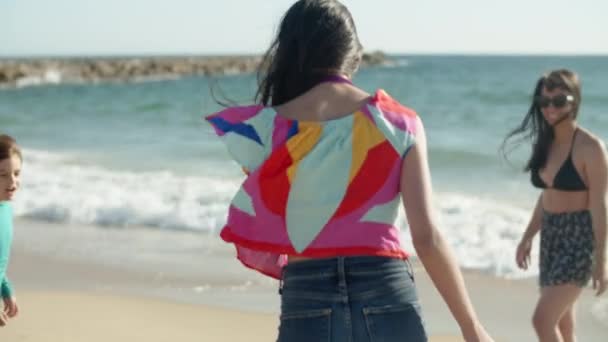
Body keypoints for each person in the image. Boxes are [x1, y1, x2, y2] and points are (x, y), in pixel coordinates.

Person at [205, 1, 493, 341]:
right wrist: (471, 326)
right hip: (385, 288)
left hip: (306, 293)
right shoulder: (398, 123)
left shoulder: (263, 129)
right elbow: (427, 238)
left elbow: (277, 214)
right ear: (353, 53)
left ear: (290, 52)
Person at [503, 69, 607, 342]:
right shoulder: (546, 143)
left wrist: (602, 259)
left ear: (575, 101)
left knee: (542, 320)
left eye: (558, 101)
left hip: (579, 240)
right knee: (563, 324)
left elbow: (599, 205)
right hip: (551, 234)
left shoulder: (591, 148)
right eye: (544, 102)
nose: (550, 108)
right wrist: (528, 236)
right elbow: (547, 195)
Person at [0, 134, 21, 327]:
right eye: (3, 175)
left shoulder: (5, 208)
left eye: (17, 173)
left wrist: (5, 288)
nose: (12, 182)